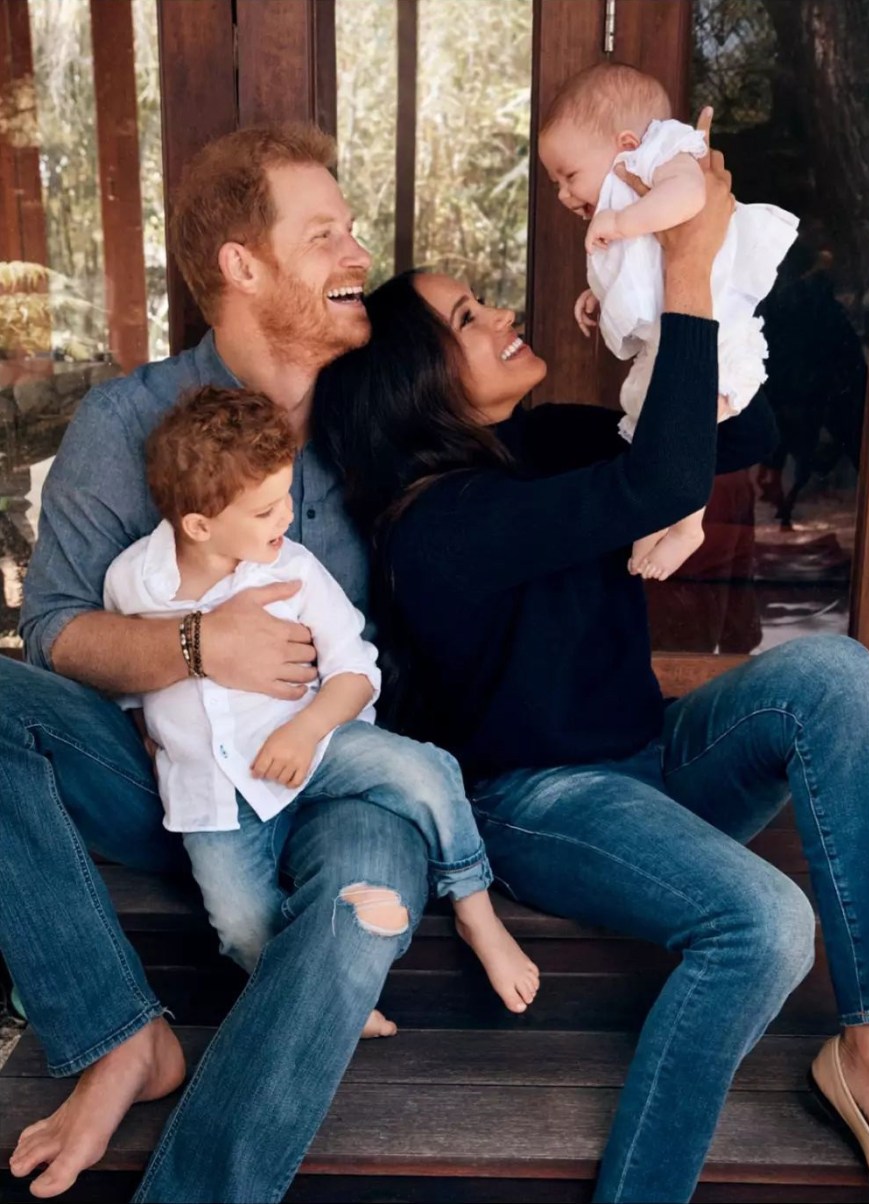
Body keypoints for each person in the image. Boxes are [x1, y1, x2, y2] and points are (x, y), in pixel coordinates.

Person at [315, 125, 869, 1204]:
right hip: (543, 803)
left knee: (838, 675)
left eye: (484, 301)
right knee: (765, 923)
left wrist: (682, 301)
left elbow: (740, 433)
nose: (500, 317)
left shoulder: (547, 443)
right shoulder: (434, 526)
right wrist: (678, 257)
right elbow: (656, 486)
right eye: (466, 317)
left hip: (656, 759)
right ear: (413, 381)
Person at [5, 122, 445, 1204]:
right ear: (243, 269)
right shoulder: (128, 421)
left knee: (357, 912)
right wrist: (201, 645)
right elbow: (56, 631)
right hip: (172, 784)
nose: (358, 257)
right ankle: (118, 1035)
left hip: (338, 770)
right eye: (326, 233)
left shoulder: (373, 414)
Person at [103, 384, 538, 1016]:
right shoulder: (132, 581)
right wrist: (146, 725)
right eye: (264, 510)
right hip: (213, 795)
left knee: (427, 771)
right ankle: (320, 996)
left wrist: (306, 730)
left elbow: (357, 672)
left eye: (286, 496)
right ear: (199, 524)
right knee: (239, 923)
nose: (285, 517)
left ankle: (475, 909)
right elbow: (128, 672)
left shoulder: (295, 570)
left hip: (318, 740)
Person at [538, 63, 798, 581]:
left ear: (627, 143)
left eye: (569, 176)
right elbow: (645, 269)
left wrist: (621, 221)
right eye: (555, 184)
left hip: (716, 330)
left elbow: (690, 198)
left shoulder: (665, 155)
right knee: (650, 421)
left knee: (685, 422)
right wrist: (599, 294)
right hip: (676, 333)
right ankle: (659, 515)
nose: (565, 195)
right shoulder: (630, 196)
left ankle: (687, 524)